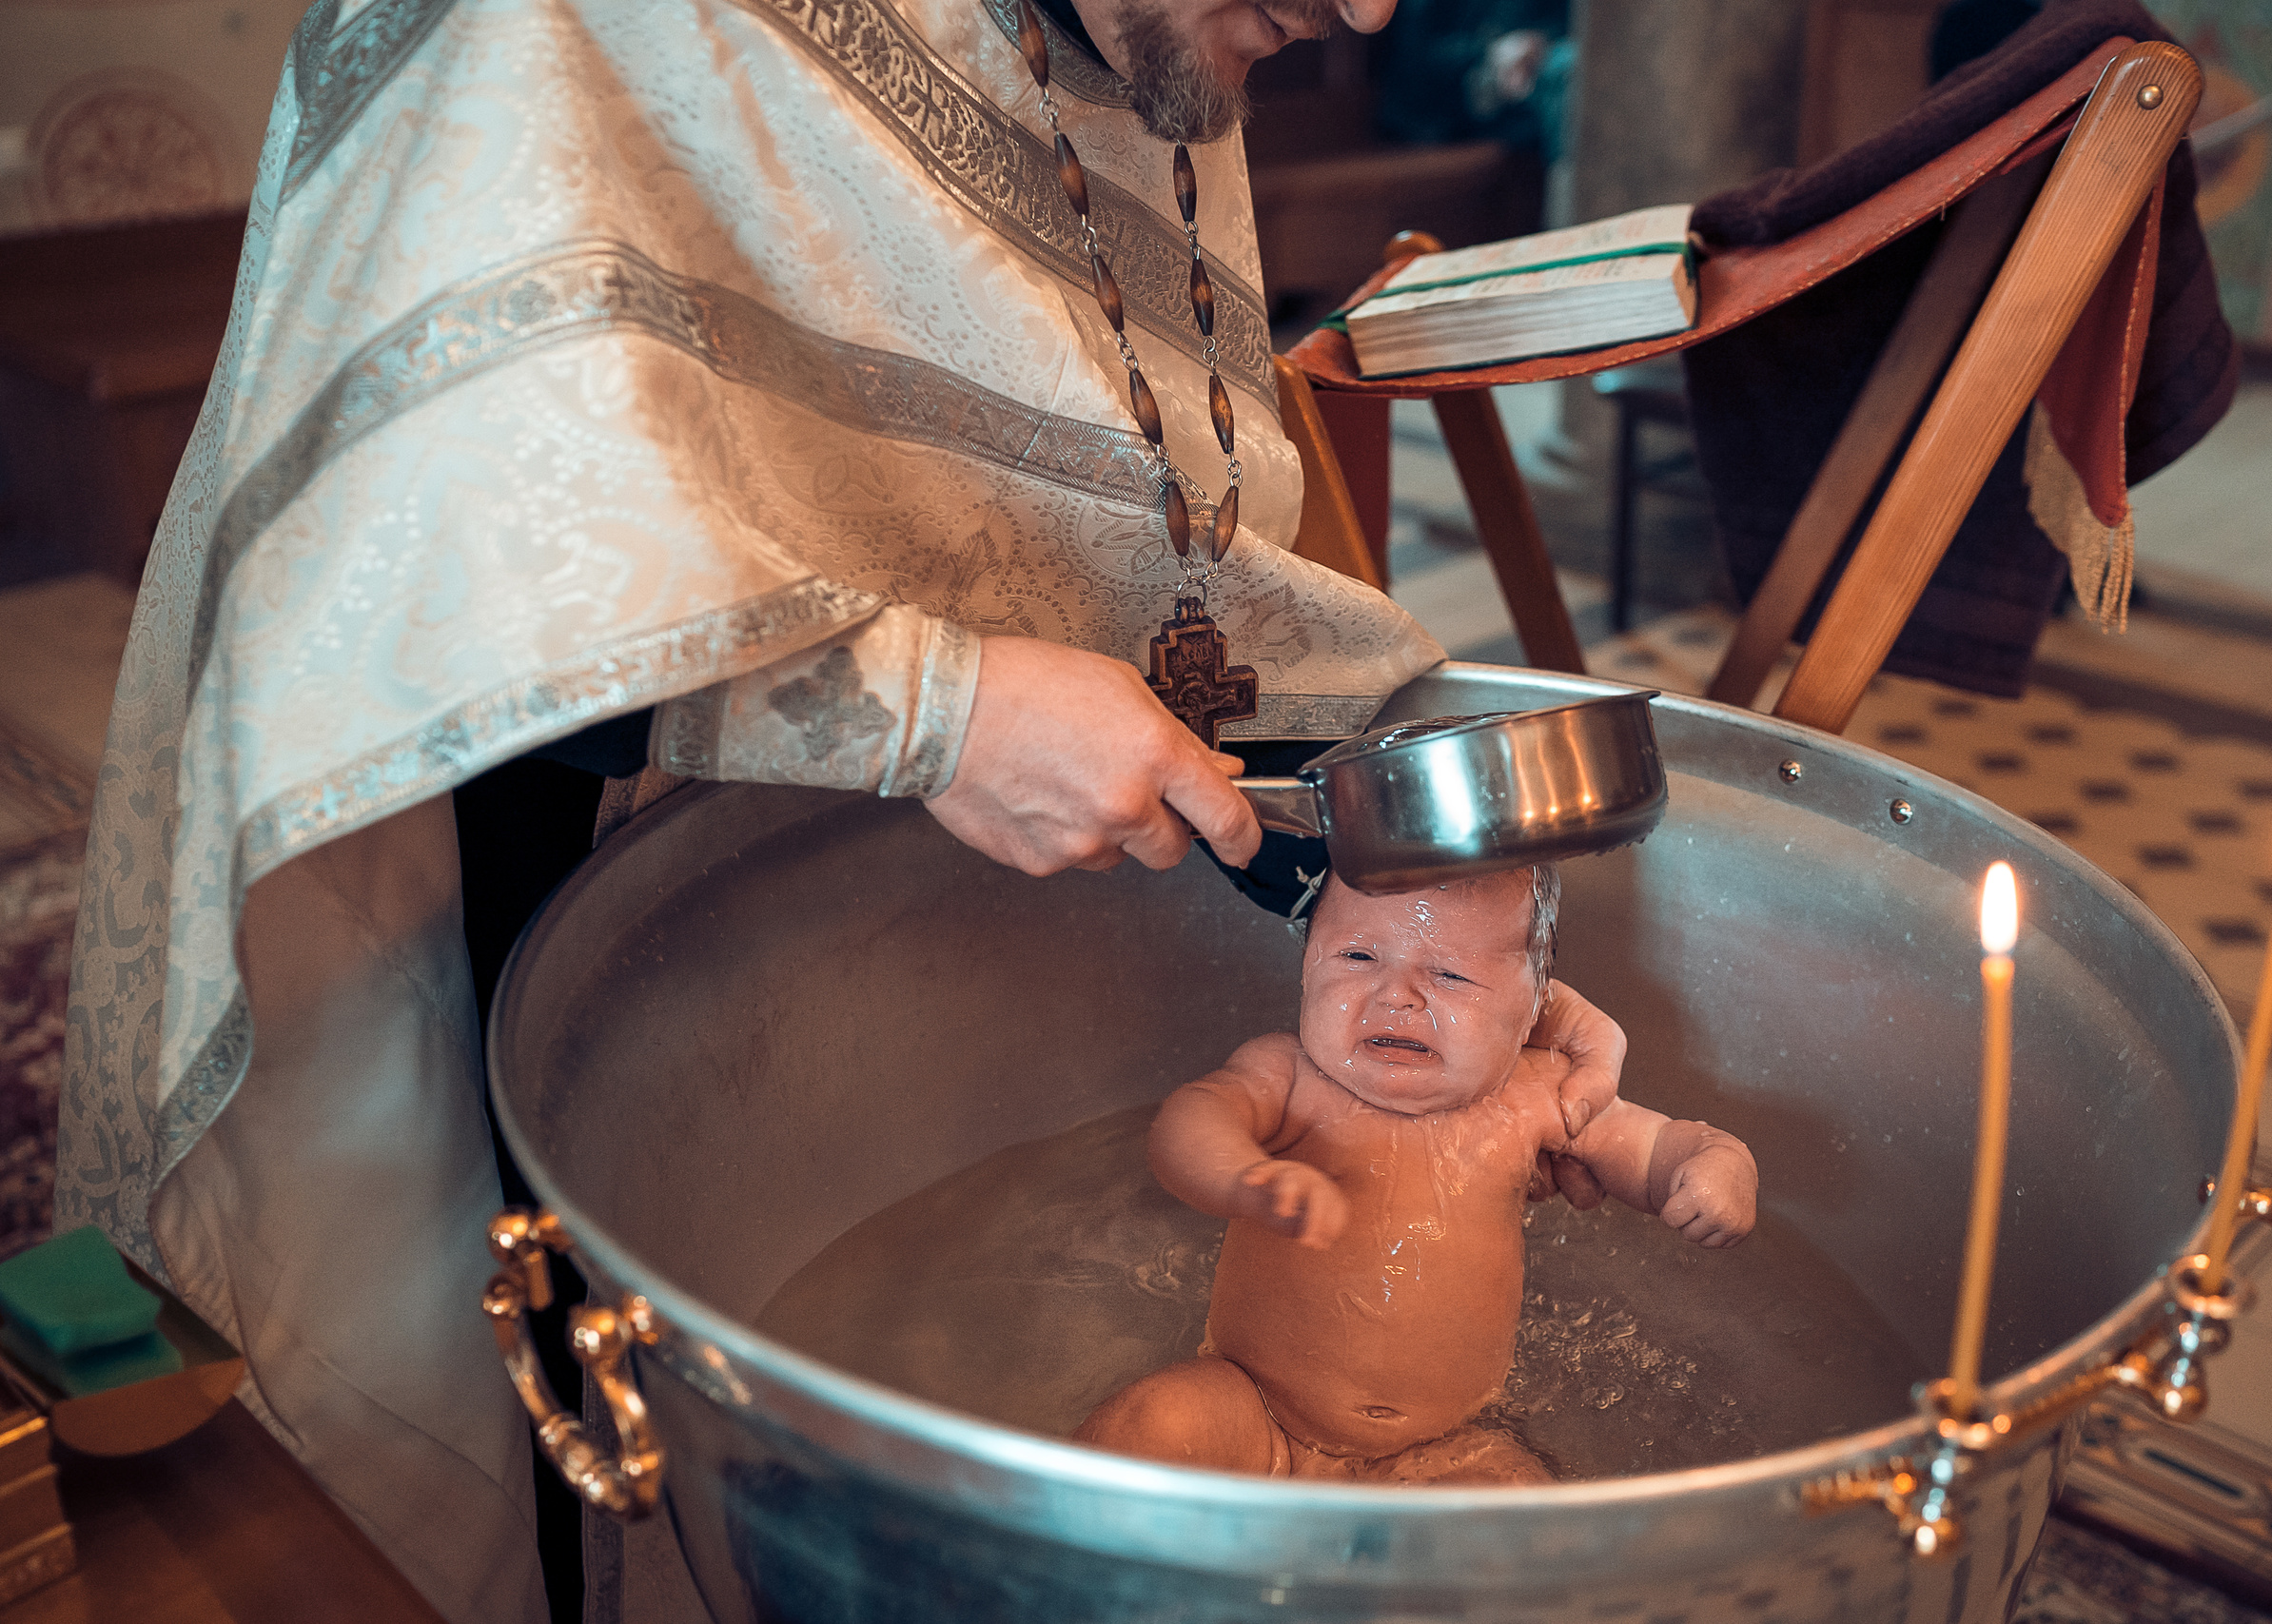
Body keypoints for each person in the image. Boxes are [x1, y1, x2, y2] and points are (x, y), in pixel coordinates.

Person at [55, 0, 1635, 1617]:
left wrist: (1420, 917)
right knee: (515, 1409)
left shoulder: (1162, 32)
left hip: (844, 905)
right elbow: (436, 558)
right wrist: (930, 712)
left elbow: (1108, 521)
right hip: (509, 866)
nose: (1369, 10)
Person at [1074, 867, 1756, 1482]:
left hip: (1440, 1447)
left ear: (1534, 1008)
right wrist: (1242, 1176)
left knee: (1514, 1512)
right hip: (1256, 1410)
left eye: (1450, 975)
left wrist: (1715, 1166)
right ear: (1307, 968)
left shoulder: (1539, 1093)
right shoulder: (1289, 1077)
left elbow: (1659, 1144)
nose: (1395, 994)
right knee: (1149, 1424)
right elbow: (1191, 1121)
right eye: (1358, 955)